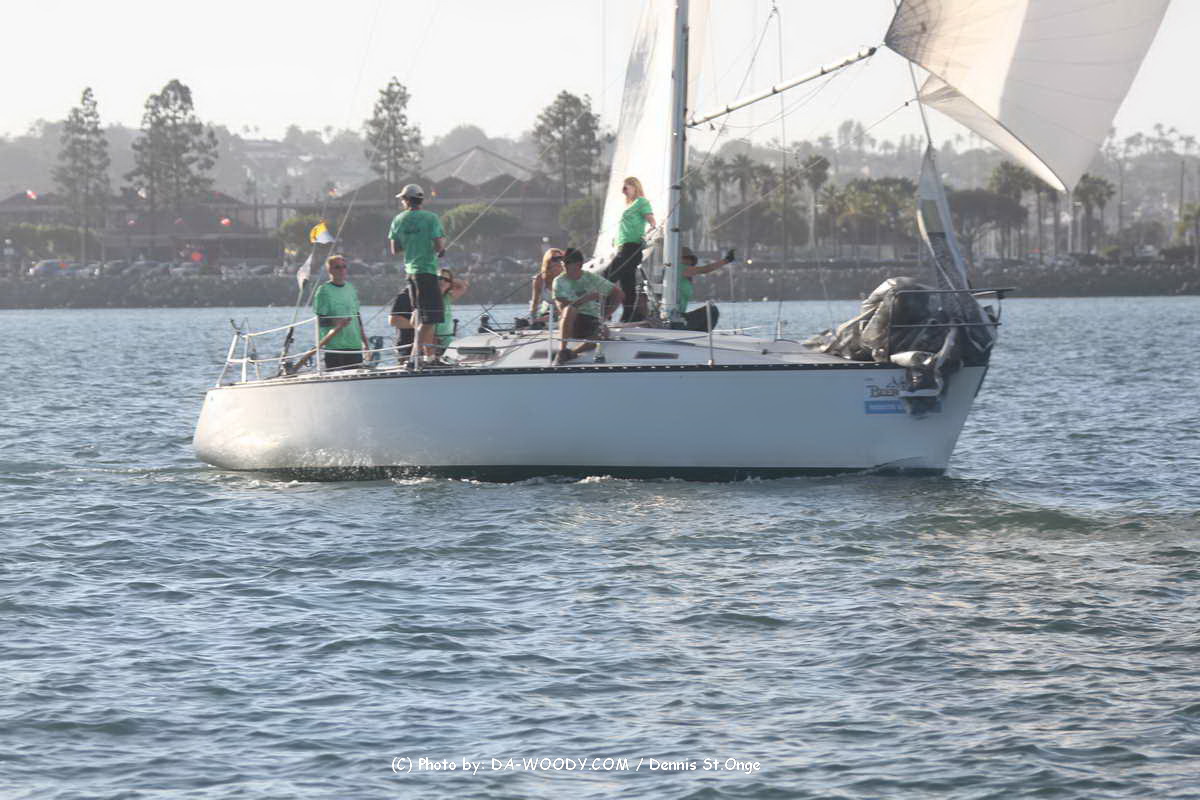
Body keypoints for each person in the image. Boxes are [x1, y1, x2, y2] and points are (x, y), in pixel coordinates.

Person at [388, 183, 446, 365]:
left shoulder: (398, 219)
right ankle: (415, 358)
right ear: (421, 200)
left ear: (406, 200)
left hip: (411, 273)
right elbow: (439, 246)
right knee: (430, 318)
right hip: (427, 272)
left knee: (420, 315)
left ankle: (429, 357)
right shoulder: (431, 218)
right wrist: (439, 250)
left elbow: (395, 249)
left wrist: (411, 242)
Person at [552, 248, 623, 365]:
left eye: (568, 262)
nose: (563, 264)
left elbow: (618, 293)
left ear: (579, 264)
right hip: (572, 320)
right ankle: (562, 349)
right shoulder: (559, 281)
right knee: (570, 309)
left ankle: (572, 352)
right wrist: (584, 299)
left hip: (591, 319)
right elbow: (562, 307)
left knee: (604, 331)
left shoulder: (591, 278)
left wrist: (606, 315)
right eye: (563, 262)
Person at [603, 176, 656, 322]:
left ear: (634, 186)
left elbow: (651, 220)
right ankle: (627, 316)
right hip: (623, 247)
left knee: (607, 277)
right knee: (627, 283)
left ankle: (605, 313)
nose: (623, 191)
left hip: (632, 248)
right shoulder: (629, 205)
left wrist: (650, 230)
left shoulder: (641, 202)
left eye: (625, 187)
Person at [311, 254, 369, 370]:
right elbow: (320, 321)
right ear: (330, 270)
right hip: (335, 347)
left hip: (354, 346)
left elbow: (357, 317)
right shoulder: (323, 291)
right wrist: (336, 322)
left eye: (344, 266)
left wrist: (366, 343)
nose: (342, 270)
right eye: (337, 267)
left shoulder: (351, 288)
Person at [677, 246, 735, 330]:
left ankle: (700, 335)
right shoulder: (678, 269)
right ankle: (702, 336)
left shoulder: (682, 274)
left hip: (678, 318)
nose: (689, 261)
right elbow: (704, 269)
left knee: (710, 311)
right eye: (685, 258)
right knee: (712, 311)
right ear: (677, 259)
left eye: (690, 259)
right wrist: (726, 260)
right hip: (675, 320)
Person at [528, 248, 565, 327]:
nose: (559, 262)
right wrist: (532, 318)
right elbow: (535, 302)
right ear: (548, 262)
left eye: (561, 258)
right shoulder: (539, 279)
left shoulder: (567, 277)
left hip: (567, 311)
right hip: (551, 313)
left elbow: (569, 304)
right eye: (555, 259)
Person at [435, 268, 469, 350]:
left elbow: (462, 287)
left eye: (446, 280)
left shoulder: (448, 297)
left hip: (448, 338)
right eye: (440, 278)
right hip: (434, 339)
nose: (442, 281)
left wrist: (451, 281)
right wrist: (447, 281)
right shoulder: (429, 297)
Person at [387, 286, 416, 363]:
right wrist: (423, 328)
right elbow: (393, 321)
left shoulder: (437, 295)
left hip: (435, 346)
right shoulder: (405, 295)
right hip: (407, 347)